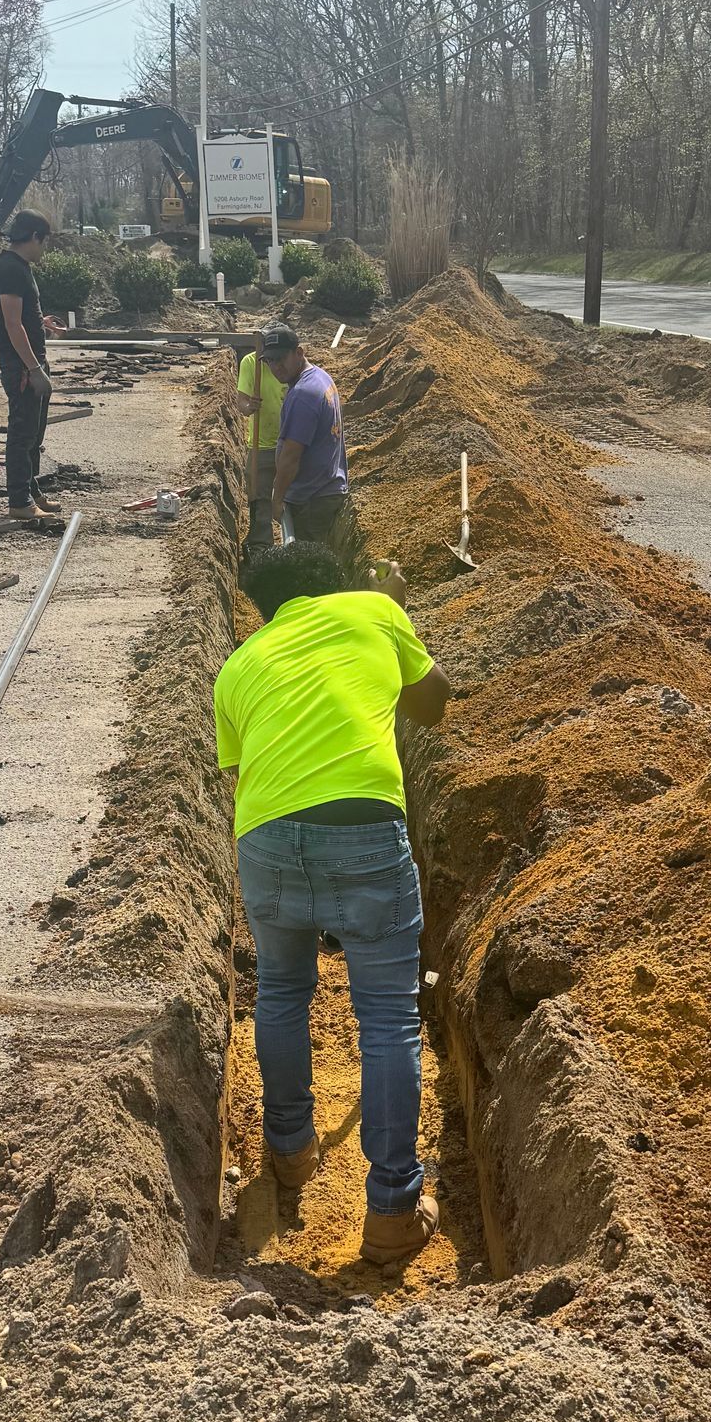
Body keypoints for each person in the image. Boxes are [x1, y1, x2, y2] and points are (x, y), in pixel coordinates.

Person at [214, 540, 451, 1271]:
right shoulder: (377, 610)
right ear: (338, 579)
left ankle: (290, 1153)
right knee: (386, 1019)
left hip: (266, 836)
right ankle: (391, 1212)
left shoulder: (239, 664)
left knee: (282, 991)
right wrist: (399, 621)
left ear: (265, 607)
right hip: (364, 831)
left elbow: (240, 769)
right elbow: (433, 706)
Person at [0, 211, 61, 525]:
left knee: (33, 434)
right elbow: (12, 325)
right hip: (22, 368)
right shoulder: (10, 269)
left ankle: (31, 491)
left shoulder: (18, 267)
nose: (44, 249)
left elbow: (21, 318)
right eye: (44, 242)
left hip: (30, 363)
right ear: (34, 237)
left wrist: (40, 323)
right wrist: (33, 369)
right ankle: (19, 500)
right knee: (22, 433)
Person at [260, 327, 349, 545]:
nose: (275, 367)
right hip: (325, 489)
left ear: (299, 353)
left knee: (309, 571)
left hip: (313, 500)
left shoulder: (303, 394)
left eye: (281, 358)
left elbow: (291, 457)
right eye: (269, 360)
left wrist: (277, 498)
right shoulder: (320, 377)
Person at [235, 321, 291, 551]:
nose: (273, 362)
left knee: (293, 497)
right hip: (261, 444)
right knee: (259, 495)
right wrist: (250, 407)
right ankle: (261, 545)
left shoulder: (290, 364)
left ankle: (294, 544)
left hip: (290, 441)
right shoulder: (251, 363)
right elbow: (241, 402)